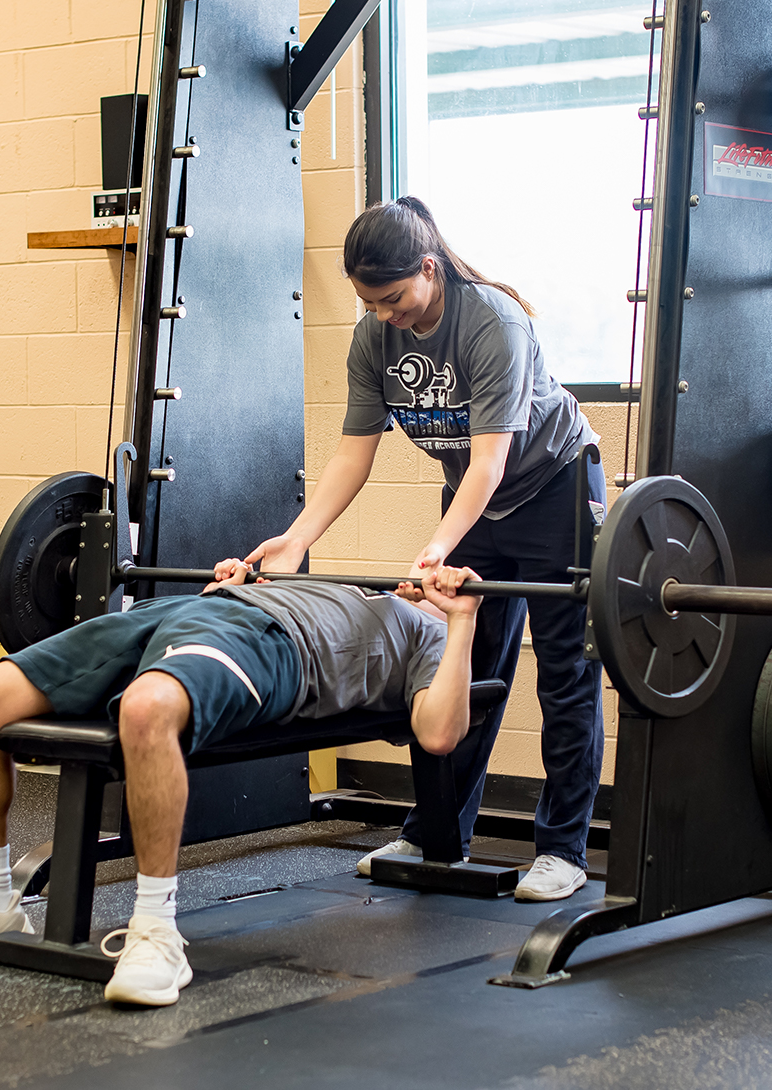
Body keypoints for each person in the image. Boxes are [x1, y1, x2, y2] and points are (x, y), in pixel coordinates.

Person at [0, 558, 482, 1007]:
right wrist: (241, 578)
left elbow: (439, 733)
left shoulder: (431, 637)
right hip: (188, 610)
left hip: (270, 645)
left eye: (446, 577)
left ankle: (156, 933)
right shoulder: (346, 586)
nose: (427, 575)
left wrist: (461, 621)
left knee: (144, 711)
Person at [247, 196, 605, 902]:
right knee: (458, 665)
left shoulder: (494, 321)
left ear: (431, 270)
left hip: (554, 487)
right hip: (475, 499)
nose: (387, 314)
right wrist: (298, 538)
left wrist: (434, 550)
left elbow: (491, 462)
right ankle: (435, 831)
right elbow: (354, 455)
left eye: (395, 297)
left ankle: (563, 851)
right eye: (371, 303)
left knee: (565, 672)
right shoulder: (373, 338)